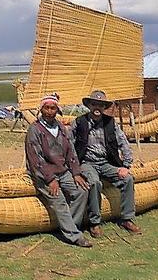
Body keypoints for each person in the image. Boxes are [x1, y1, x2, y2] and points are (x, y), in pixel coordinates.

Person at [71, 90, 142, 238]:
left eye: (101, 105)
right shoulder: (79, 122)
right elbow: (69, 146)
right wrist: (74, 168)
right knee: (95, 183)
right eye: (94, 104)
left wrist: (126, 165)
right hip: (86, 162)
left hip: (106, 163)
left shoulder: (111, 123)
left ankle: (127, 219)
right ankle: (94, 222)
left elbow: (123, 143)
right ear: (89, 105)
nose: (97, 107)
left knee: (127, 179)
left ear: (104, 107)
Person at [25, 93, 92, 247]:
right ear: (41, 110)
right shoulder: (35, 130)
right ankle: (75, 236)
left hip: (63, 172)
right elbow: (35, 159)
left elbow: (71, 151)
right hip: (43, 175)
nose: (49, 111)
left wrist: (76, 173)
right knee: (59, 200)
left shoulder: (61, 128)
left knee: (81, 191)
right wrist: (50, 179)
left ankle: (70, 227)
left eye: (52, 108)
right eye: (46, 108)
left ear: (57, 110)